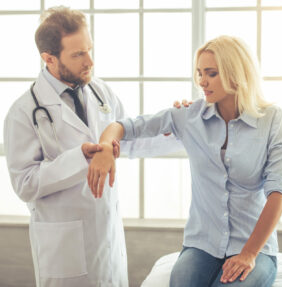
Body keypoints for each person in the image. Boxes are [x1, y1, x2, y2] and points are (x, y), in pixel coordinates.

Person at [87, 35, 282, 287]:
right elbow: (123, 126)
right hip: (202, 244)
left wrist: (249, 254)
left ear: (235, 73)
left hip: (253, 246)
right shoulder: (189, 116)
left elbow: (278, 193)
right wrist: (105, 148)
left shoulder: (273, 120)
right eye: (199, 73)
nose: (202, 82)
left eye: (211, 73)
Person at [3, 6, 183, 287]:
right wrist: (80, 158)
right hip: (64, 249)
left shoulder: (101, 92)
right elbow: (25, 183)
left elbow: (130, 142)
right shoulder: (24, 112)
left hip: (107, 239)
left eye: (89, 49)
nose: (90, 61)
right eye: (78, 54)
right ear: (48, 58)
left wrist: (180, 129)